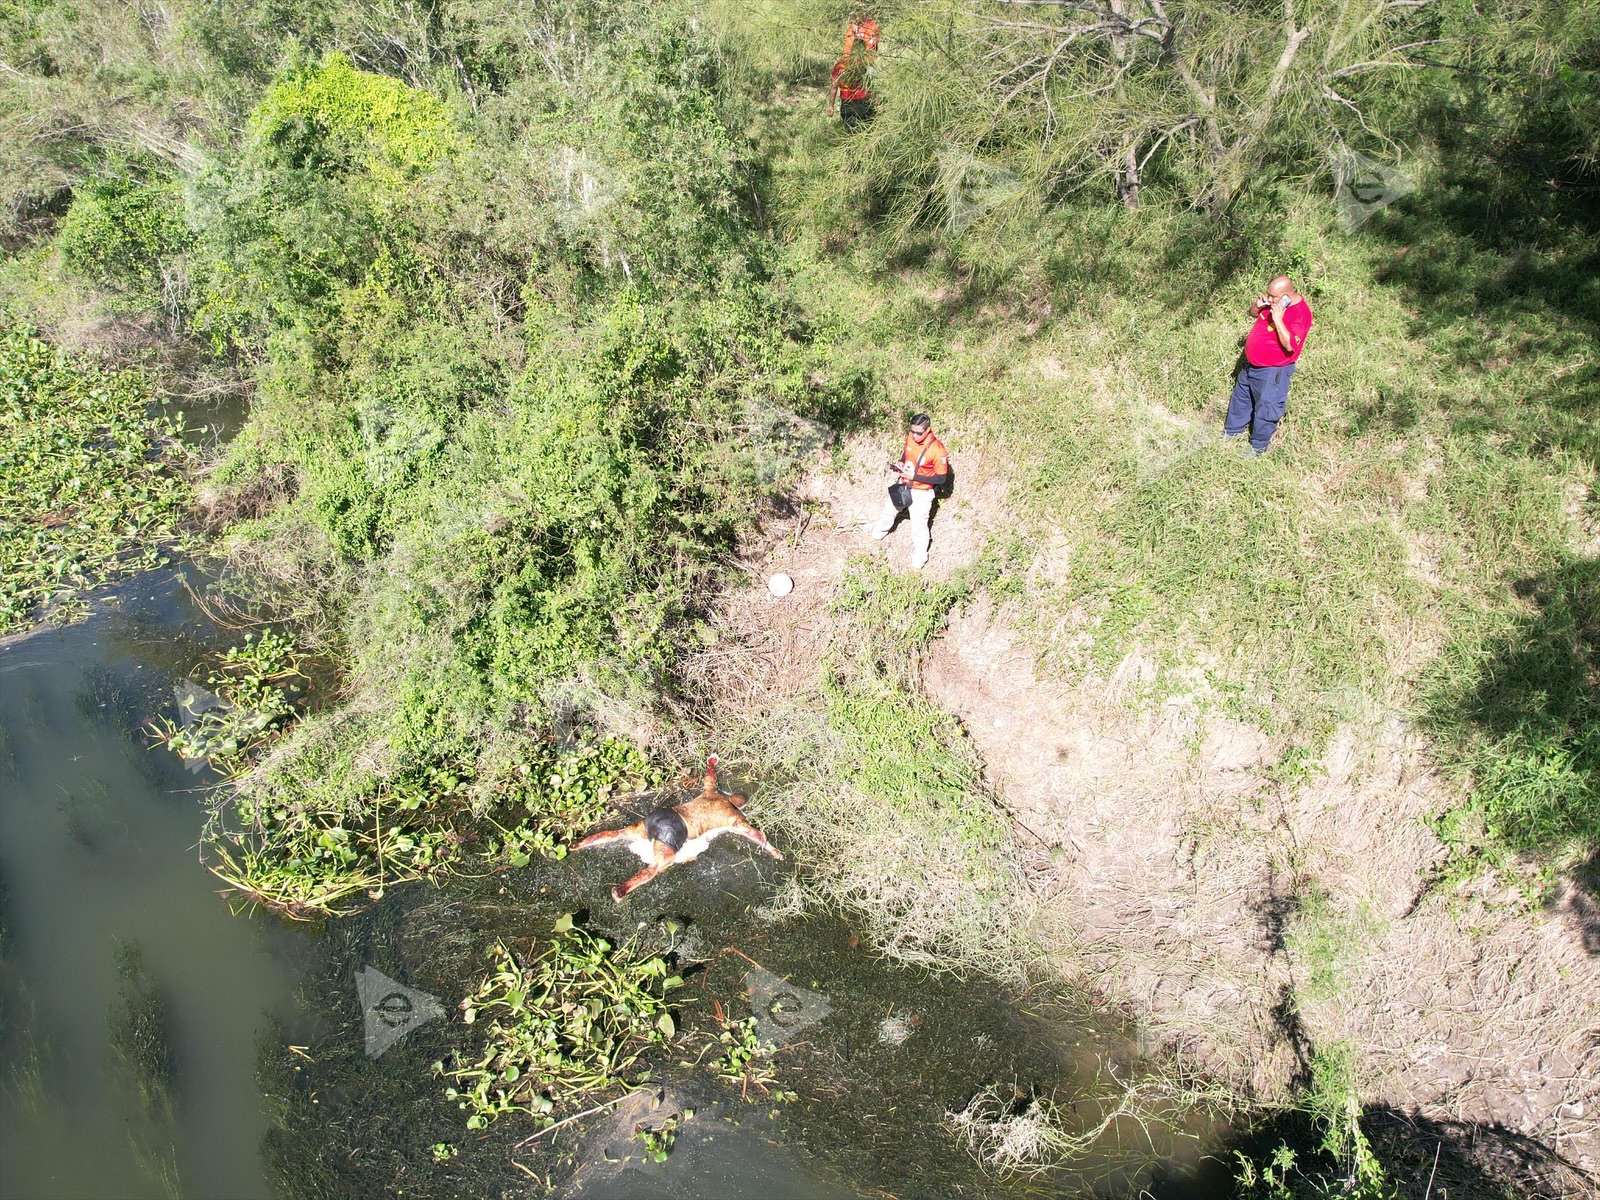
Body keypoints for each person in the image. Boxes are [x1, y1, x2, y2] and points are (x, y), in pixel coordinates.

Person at [1223, 275, 1313, 455]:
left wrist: (1278, 319)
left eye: (1273, 296)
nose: (1269, 299)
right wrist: (1257, 307)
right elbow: (1253, 314)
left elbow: (1290, 345)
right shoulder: (1275, 303)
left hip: (1273, 371)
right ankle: (1232, 432)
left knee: (1267, 406)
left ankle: (1258, 446)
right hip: (1251, 365)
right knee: (1241, 399)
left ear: (1287, 294)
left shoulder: (1300, 313)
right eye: (1268, 295)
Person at [869, 413, 949, 570]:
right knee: (889, 509)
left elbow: (941, 479)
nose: (914, 435)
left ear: (928, 430)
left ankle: (920, 556)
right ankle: (879, 532)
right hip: (903, 484)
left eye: (919, 433)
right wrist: (901, 462)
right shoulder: (911, 437)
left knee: (919, 526)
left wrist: (916, 476)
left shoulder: (938, 450)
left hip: (922, 493)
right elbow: (907, 451)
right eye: (912, 431)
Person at [828, 44, 875, 130]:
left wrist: (831, 106)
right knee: (867, 130)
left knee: (850, 131)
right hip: (863, 102)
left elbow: (834, 86)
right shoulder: (866, 64)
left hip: (847, 103)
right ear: (864, 51)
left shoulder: (840, 64)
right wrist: (877, 103)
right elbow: (869, 87)